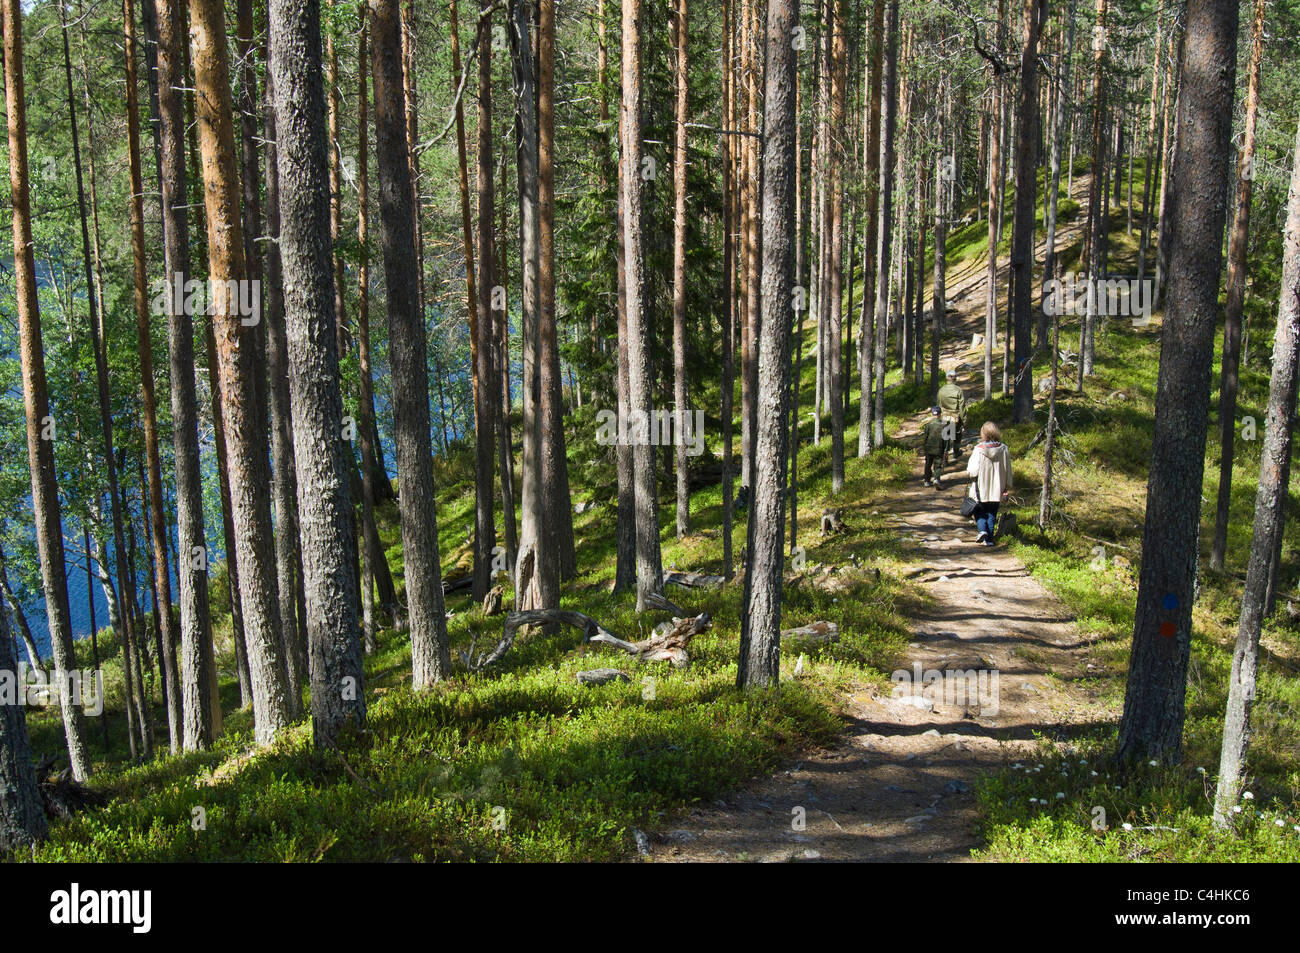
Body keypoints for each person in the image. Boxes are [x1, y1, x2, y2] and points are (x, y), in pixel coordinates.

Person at [966, 421, 1011, 545]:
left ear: (983, 433)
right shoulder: (1003, 448)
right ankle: (989, 540)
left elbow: (973, 470)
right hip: (998, 487)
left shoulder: (979, 449)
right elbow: (1008, 469)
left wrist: (970, 475)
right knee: (992, 512)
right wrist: (1007, 485)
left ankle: (982, 530)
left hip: (981, 487)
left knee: (978, 509)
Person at [937, 370, 966, 463]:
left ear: (947, 378)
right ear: (955, 378)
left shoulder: (941, 390)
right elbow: (962, 407)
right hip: (955, 417)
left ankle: (944, 454)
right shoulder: (958, 390)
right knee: (957, 435)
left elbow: (938, 404)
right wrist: (964, 420)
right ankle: (956, 452)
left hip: (944, 416)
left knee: (945, 436)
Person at [921, 406, 946, 487]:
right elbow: (946, 439)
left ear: (932, 414)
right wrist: (946, 449)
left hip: (929, 448)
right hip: (939, 448)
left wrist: (924, 447)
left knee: (928, 464)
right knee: (938, 464)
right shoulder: (944, 425)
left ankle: (927, 481)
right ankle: (936, 479)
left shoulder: (928, 425)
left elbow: (925, 437)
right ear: (940, 414)